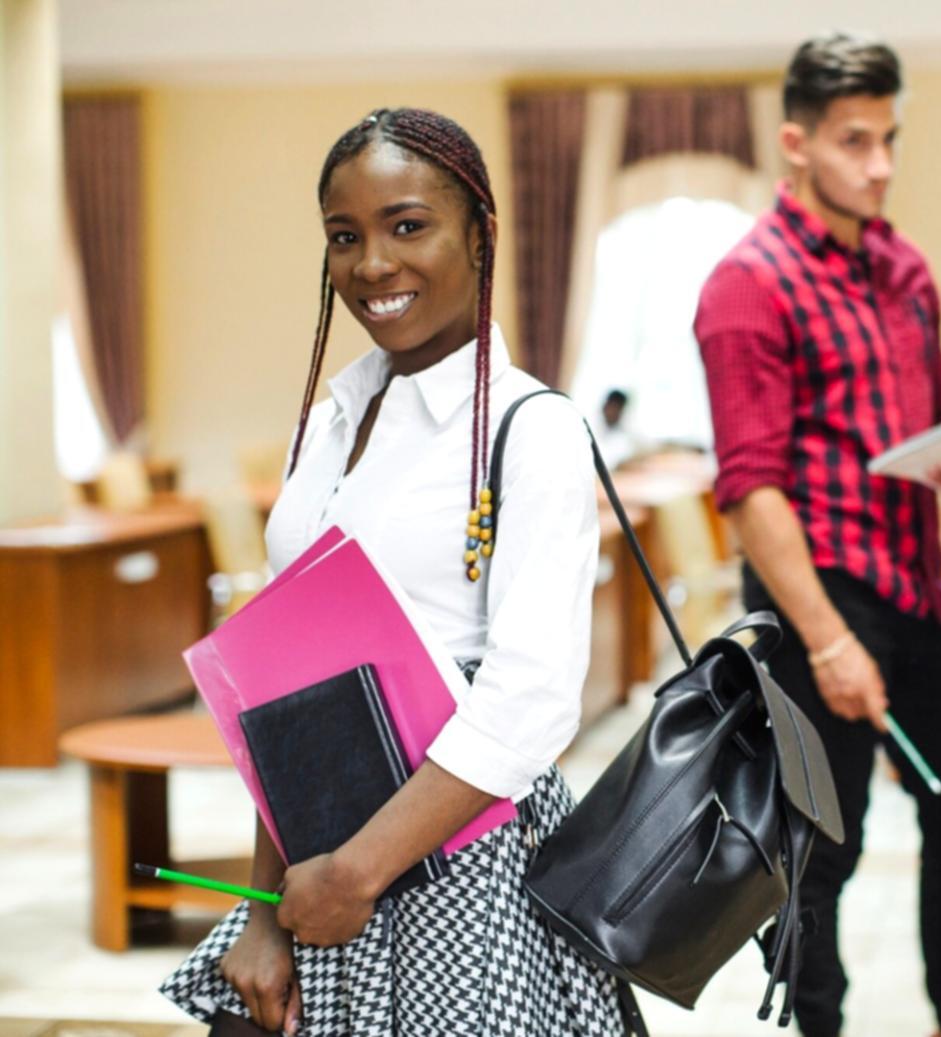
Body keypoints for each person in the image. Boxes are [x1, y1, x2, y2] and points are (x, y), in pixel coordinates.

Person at [159, 108, 631, 1036]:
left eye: (407, 225)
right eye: (346, 236)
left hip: (464, 862)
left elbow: (530, 699)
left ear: (480, 234)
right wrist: (265, 910)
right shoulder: (335, 421)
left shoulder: (531, 429)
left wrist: (357, 871)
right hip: (317, 861)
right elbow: (291, 689)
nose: (373, 263)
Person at [695, 31, 941, 1037]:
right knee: (826, 845)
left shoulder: (904, 267)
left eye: (888, 139)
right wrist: (828, 642)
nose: (878, 164)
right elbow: (750, 492)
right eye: (854, 141)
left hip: (916, 591)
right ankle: (816, 1023)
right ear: (796, 143)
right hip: (813, 600)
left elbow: (929, 418)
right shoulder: (748, 283)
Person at [595, 388, 637, 469]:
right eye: (612, 407)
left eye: (619, 409)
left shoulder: (626, 432)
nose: (613, 412)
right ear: (605, 406)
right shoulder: (590, 428)